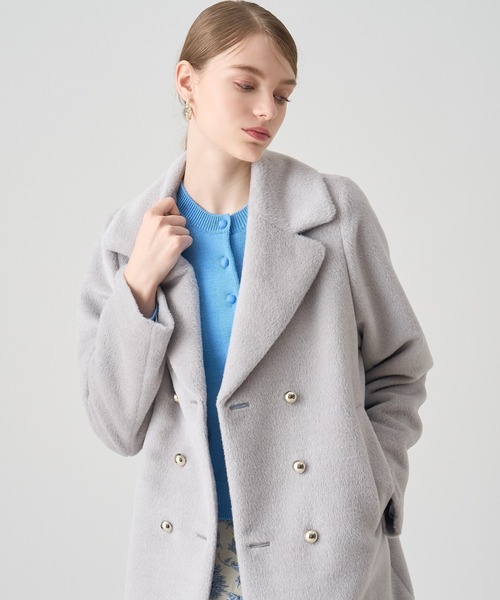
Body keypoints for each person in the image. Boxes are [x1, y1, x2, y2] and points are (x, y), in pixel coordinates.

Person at [76, 2, 433, 599]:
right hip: (185, 564)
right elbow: (116, 428)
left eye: (283, 94)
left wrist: (370, 485)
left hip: (325, 554)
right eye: (246, 85)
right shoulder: (128, 239)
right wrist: (138, 286)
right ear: (187, 81)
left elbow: (399, 367)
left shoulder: (332, 214)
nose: (268, 109)